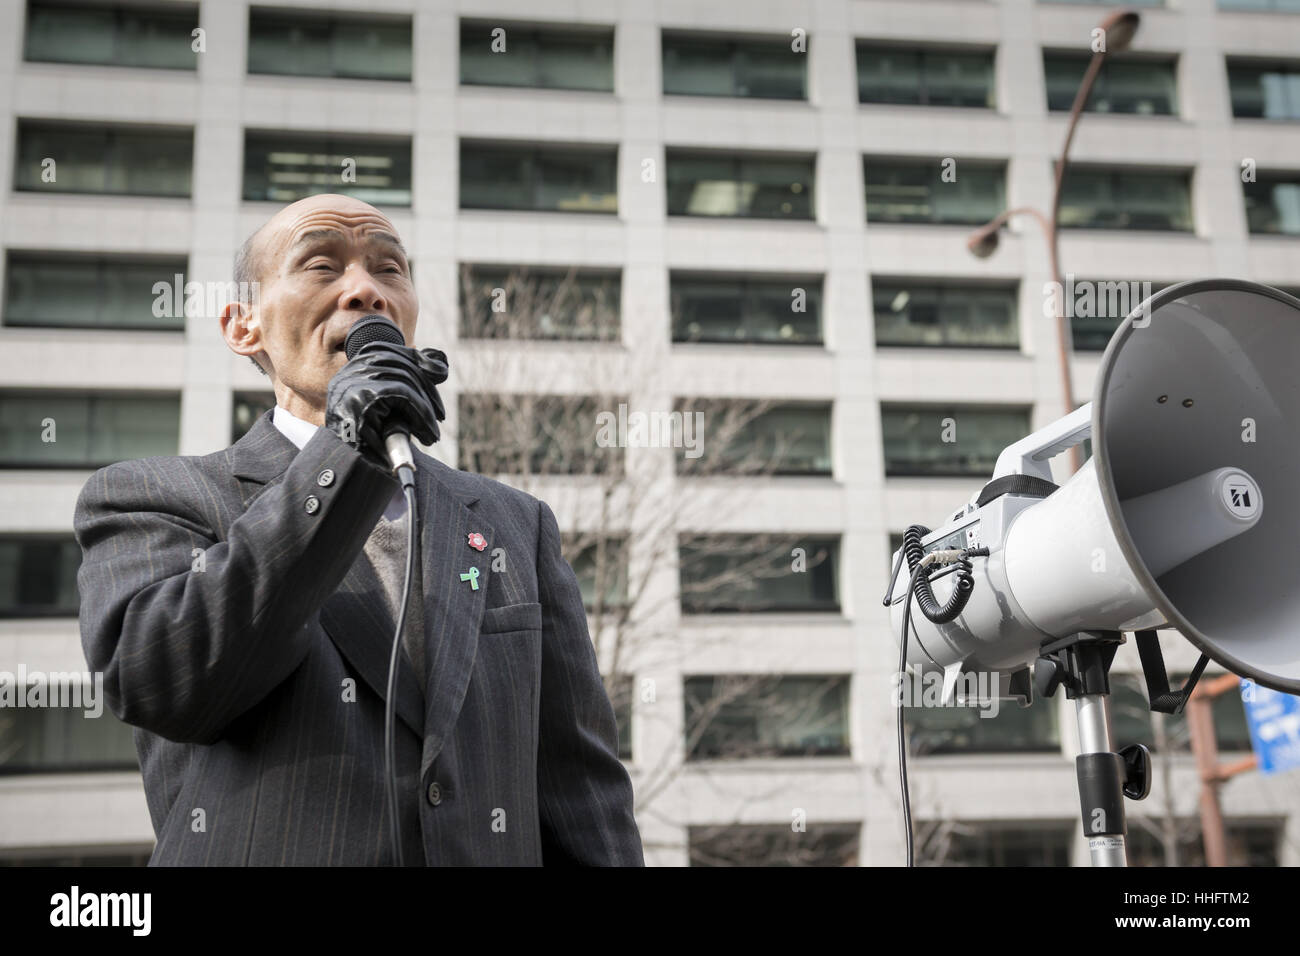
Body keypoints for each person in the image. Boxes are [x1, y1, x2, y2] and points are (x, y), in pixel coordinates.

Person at [73, 193, 644, 866]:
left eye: (389, 269)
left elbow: (583, 796)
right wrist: (350, 448)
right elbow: (164, 682)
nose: (365, 290)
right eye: (320, 265)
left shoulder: (517, 524)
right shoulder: (153, 497)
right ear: (242, 325)